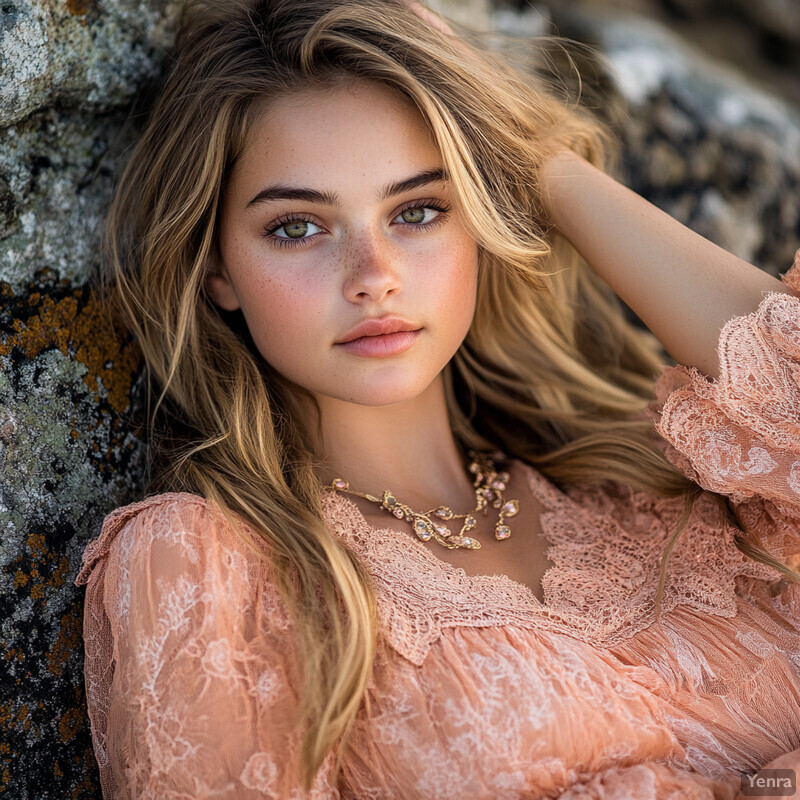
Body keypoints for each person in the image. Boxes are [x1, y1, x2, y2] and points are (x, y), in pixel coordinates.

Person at [74, 0, 800, 796]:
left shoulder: (659, 477)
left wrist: (535, 162)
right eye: (296, 228)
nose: (373, 273)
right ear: (217, 270)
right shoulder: (211, 567)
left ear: (480, 222)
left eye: (419, 211)